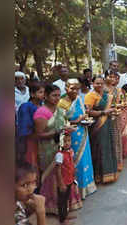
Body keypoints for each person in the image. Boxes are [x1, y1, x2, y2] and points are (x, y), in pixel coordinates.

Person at [34, 84, 82, 214]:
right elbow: (38, 135)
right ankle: (53, 210)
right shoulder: (41, 112)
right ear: (46, 96)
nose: (56, 98)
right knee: (53, 181)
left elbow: (65, 125)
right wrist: (58, 131)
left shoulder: (60, 110)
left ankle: (63, 211)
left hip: (62, 150)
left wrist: (67, 130)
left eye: (58, 95)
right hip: (48, 151)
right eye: (53, 95)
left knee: (64, 180)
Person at [57, 79, 97, 199]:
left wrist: (85, 119)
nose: (75, 91)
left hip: (83, 133)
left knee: (86, 159)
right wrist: (78, 120)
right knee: (73, 162)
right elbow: (61, 122)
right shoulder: (62, 103)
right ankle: (76, 192)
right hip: (70, 135)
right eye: (72, 88)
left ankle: (88, 187)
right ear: (66, 88)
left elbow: (84, 114)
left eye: (77, 88)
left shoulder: (79, 99)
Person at [85, 76, 119, 183]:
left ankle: (110, 174)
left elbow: (109, 108)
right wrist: (104, 113)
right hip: (97, 125)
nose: (99, 85)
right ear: (92, 84)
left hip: (107, 123)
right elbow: (88, 112)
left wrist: (112, 111)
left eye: (101, 83)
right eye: (97, 83)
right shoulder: (90, 96)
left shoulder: (105, 95)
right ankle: (99, 176)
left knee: (108, 146)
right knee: (99, 149)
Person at [17, 82, 45, 167]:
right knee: (32, 164)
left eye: (44, 92)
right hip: (30, 141)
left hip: (43, 140)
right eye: (40, 92)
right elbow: (25, 128)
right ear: (32, 94)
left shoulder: (43, 106)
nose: (43, 95)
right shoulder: (26, 106)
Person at [55, 131, 80, 225]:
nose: (67, 143)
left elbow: (71, 162)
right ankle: (62, 220)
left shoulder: (70, 151)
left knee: (66, 199)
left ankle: (65, 215)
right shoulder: (59, 155)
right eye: (64, 141)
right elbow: (58, 170)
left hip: (69, 179)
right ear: (60, 142)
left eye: (69, 141)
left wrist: (74, 170)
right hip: (63, 181)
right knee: (62, 201)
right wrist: (61, 183)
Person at [104, 71, 124, 171]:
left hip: (115, 116)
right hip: (103, 118)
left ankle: (118, 163)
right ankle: (108, 165)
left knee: (116, 140)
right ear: (105, 77)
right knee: (106, 140)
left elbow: (118, 103)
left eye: (113, 77)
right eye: (109, 76)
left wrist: (118, 107)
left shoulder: (117, 90)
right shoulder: (101, 89)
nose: (112, 79)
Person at [113, 73, 127, 158]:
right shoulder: (107, 90)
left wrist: (125, 104)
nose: (116, 80)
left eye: (117, 79)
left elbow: (125, 100)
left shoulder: (119, 90)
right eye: (114, 78)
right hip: (113, 114)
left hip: (122, 114)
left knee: (124, 133)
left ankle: (123, 152)